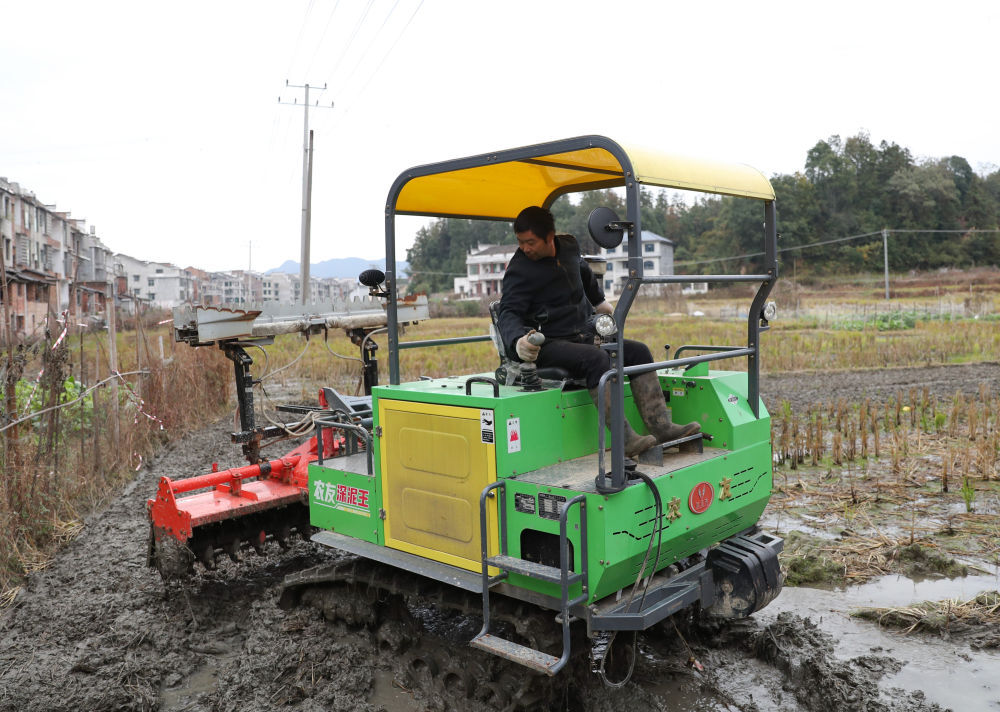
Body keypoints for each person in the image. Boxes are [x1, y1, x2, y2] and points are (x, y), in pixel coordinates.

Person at [496, 206, 700, 458]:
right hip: (547, 344)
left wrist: (600, 302)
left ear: (551, 237)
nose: (524, 248)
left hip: (579, 335)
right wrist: (518, 340)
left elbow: (582, 272)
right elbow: (508, 311)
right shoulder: (520, 269)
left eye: (530, 242)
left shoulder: (568, 248)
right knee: (596, 359)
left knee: (638, 351)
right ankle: (624, 439)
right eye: (520, 242)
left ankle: (662, 427)